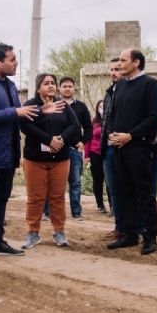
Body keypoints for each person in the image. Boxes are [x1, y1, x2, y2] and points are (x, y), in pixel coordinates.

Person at [0, 43, 64, 266]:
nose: (16, 63)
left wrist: (41, 110)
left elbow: (19, 117)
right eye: (12, 59)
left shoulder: (9, 85)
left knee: (2, 198)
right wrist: (15, 111)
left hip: (7, 154)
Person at [106, 48, 157, 255]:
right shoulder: (120, 86)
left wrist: (130, 135)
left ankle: (150, 236)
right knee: (124, 191)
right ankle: (129, 234)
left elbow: (153, 117)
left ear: (137, 62)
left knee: (144, 193)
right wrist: (112, 134)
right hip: (120, 147)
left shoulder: (150, 85)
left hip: (139, 147)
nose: (119, 64)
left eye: (123, 60)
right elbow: (112, 114)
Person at [20, 74, 80, 249]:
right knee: (35, 198)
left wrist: (61, 139)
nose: (51, 86)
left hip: (60, 159)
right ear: (38, 87)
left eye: (53, 83)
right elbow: (25, 125)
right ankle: (33, 233)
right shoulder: (31, 105)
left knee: (58, 198)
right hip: (35, 160)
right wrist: (48, 140)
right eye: (46, 83)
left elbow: (75, 126)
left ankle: (59, 232)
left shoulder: (63, 105)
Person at [59, 77, 93, 221]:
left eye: (70, 86)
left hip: (74, 149)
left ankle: (76, 213)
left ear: (74, 89)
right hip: (57, 149)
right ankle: (48, 212)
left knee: (75, 182)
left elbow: (89, 128)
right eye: (64, 86)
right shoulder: (54, 105)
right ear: (59, 89)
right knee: (55, 183)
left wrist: (83, 142)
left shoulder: (81, 106)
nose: (67, 88)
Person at [101, 58, 124, 241]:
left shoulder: (134, 90)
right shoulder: (109, 93)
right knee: (114, 189)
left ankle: (137, 228)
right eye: (112, 69)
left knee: (129, 189)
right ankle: (119, 226)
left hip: (126, 146)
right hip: (109, 147)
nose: (114, 73)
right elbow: (106, 121)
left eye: (118, 69)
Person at [85, 100, 109, 213]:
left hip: (108, 152)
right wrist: (86, 155)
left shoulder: (112, 121)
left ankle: (113, 205)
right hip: (95, 153)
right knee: (98, 179)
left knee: (110, 180)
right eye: (100, 106)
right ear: (97, 108)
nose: (102, 108)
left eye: (104, 106)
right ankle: (100, 205)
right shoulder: (93, 122)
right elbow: (88, 140)